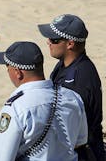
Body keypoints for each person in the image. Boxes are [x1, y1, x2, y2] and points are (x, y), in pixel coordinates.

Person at [0, 41, 88, 161]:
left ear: (18, 72)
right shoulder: (73, 97)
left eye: (8, 68)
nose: (7, 72)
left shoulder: (16, 107)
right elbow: (80, 141)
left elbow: (0, 157)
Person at [38, 14, 105, 160]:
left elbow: (71, 130)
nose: (48, 42)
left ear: (70, 44)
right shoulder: (65, 64)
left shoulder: (78, 79)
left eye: (54, 39)